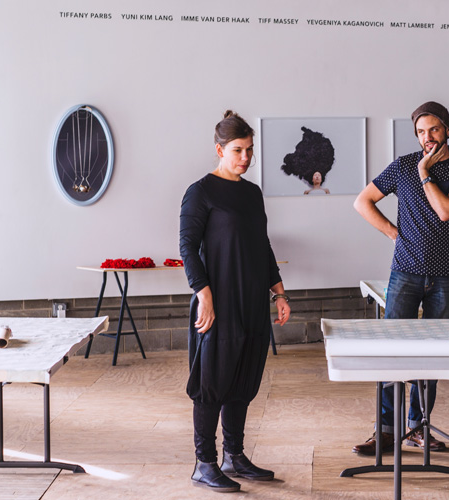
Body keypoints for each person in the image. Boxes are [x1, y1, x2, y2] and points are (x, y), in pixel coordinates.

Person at [352, 101, 449, 455]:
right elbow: (363, 202)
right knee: (392, 352)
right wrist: (393, 232)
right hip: (404, 272)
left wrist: (424, 171)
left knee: (433, 354)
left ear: (448, 130)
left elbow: (444, 211)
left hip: (445, 275)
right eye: (421, 132)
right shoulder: (402, 166)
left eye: (434, 130)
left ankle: (419, 427)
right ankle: (387, 431)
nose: (427, 137)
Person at [179, 110, 291, 493]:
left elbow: (263, 244)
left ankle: (234, 456)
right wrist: (203, 294)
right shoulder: (201, 192)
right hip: (218, 302)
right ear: (220, 149)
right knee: (212, 380)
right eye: (238, 150)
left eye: (249, 150)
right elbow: (187, 248)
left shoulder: (251, 192)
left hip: (251, 300)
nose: (245, 158)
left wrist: (278, 291)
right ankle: (204, 463)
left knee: (243, 378)